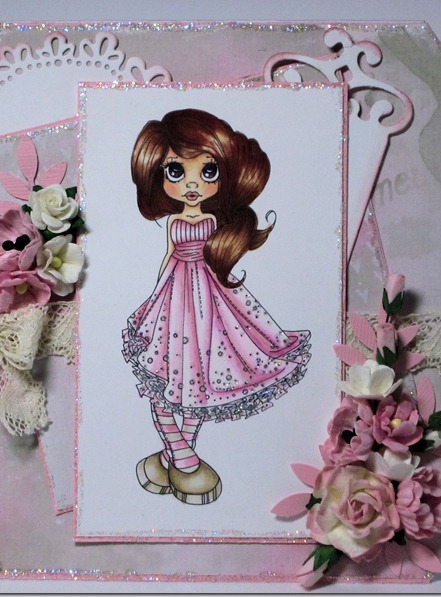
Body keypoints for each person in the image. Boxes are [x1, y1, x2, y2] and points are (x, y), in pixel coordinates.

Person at [123, 108, 311, 505]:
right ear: (158, 174)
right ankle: (183, 459)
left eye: (207, 171)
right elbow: (168, 259)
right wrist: (155, 296)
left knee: (201, 377)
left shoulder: (214, 221)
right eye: (176, 171)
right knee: (162, 375)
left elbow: (215, 258)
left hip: (209, 299)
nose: (192, 184)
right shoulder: (174, 223)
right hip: (173, 297)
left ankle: (174, 459)